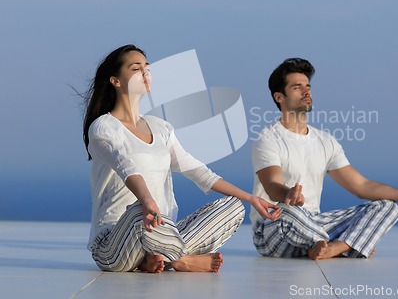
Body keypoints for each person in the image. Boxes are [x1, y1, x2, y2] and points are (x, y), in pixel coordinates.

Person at [83, 44, 281, 273]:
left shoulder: (161, 128)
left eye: (147, 67)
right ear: (115, 81)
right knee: (140, 210)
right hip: (113, 242)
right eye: (136, 68)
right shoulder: (103, 127)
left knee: (233, 206)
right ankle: (180, 260)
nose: (145, 73)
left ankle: (156, 258)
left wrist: (251, 198)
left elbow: (198, 171)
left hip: (159, 232)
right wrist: (147, 201)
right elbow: (125, 165)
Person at [250, 58, 398, 260]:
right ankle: (349, 245)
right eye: (297, 87)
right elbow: (272, 185)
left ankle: (332, 249)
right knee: (288, 212)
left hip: (314, 224)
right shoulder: (268, 139)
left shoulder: (326, 141)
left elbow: (361, 186)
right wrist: (288, 193)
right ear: (279, 97)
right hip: (274, 227)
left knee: (387, 207)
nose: (306, 91)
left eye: (308, 86)